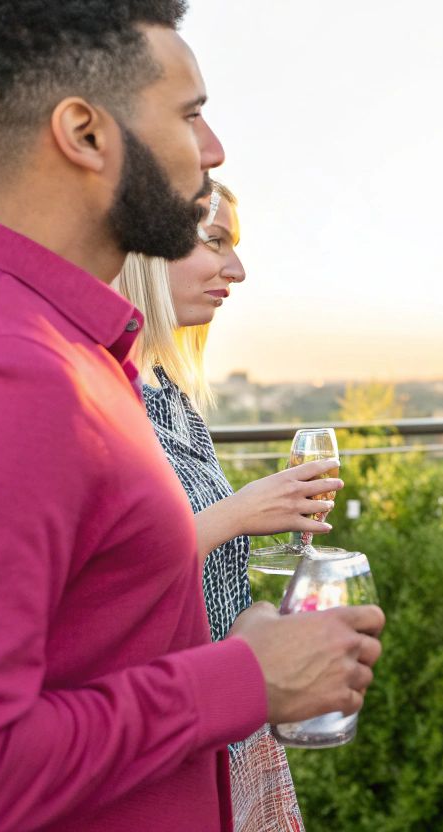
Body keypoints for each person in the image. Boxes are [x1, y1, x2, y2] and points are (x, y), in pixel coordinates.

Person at [0, 0, 383, 831]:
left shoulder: (62, 349)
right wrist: (245, 678)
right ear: (86, 134)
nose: (214, 148)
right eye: (190, 114)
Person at [114, 180, 335, 830]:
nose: (236, 270)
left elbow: (187, 551)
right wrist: (242, 511)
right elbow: (120, 568)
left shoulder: (171, 395)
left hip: (228, 721)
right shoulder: (107, 397)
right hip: (172, 730)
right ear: (148, 249)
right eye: (215, 242)